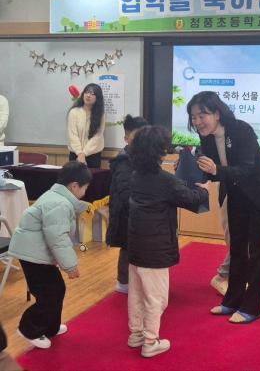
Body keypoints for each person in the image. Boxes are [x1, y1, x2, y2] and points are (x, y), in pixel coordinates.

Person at [187, 91, 260, 324]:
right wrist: (192, 171)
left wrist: (215, 170)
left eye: (202, 115)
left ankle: (252, 308)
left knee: (256, 253)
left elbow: (246, 169)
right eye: (193, 117)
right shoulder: (206, 136)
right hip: (236, 195)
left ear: (217, 113)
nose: (198, 122)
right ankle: (232, 301)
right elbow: (214, 172)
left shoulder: (241, 130)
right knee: (238, 249)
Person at [127, 125, 208, 358]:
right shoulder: (164, 181)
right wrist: (204, 190)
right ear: (159, 152)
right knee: (157, 298)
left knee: (136, 294)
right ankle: (150, 342)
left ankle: (136, 334)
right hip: (156, 249)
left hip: (136, 246)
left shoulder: (136, 175)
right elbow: (191, 199)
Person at [8, 162, 91, 349]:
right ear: (74, 186)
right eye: (85, 187)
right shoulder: (59, 204)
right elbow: (57, 238)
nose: (86, 191)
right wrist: (70, 266)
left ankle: (49, 327)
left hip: (36, 253)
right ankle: (29, 329)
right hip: (32, 255)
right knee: (49, 293)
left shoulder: (57, 198)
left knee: (56, 289)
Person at [106, 114, 148, 294]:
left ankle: (132, 280)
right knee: (127, 246)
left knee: (135, 246)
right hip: (126, 212)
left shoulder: (142, 156)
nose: (140, 140)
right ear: (126, 138)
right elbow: (125, 193)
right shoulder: (123, 161)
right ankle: (123, 282)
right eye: (136, 136)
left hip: (136, 210)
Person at [67, 83, 105, 168]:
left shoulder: (100, 115)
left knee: (92, 177)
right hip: (75, 154)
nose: (88, 95)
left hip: (93, 155)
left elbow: (97, 136)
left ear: (97, 98)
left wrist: (84, 153)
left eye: (92, 94)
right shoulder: (74, 112)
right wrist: (80, 153)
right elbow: (72, 135)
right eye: (86, 92)